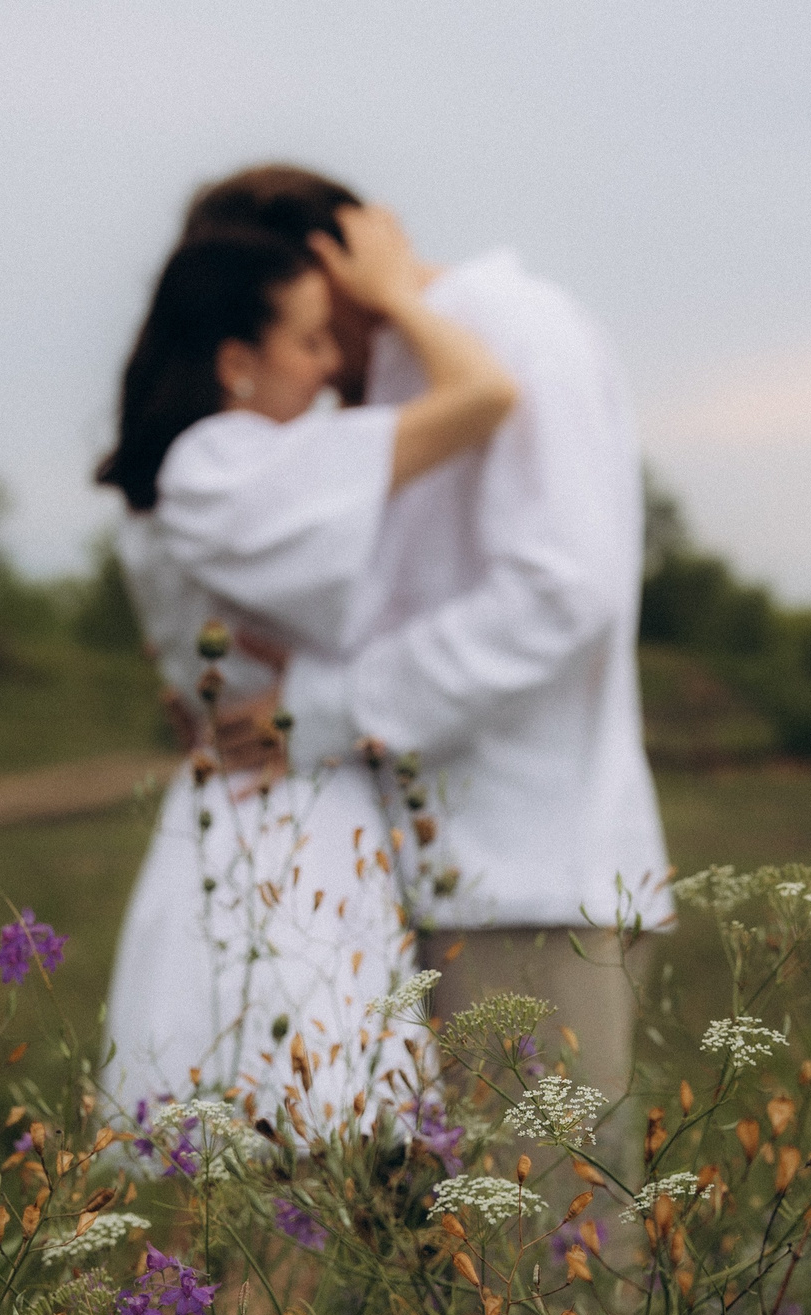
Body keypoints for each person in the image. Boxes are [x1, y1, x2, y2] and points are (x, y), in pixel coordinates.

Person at [185, 166, 672, 1211]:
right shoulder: (412, 364)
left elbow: (561, 590)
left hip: (521, 879)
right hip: (421, 877)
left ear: (323, 268)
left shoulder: (507, 330)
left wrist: (318, 712)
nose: (312, 371)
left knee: (548, 1275)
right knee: (436, 1299)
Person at [93, 203, 515, 1159]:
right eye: (311, 340)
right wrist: (400, 295)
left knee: (271, 1197)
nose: (331, 367)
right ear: (236, 357)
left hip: (259, 818)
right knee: (285, 1191)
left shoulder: (204, 469)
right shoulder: (226, 465)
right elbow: (485, 392)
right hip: (283, 837)